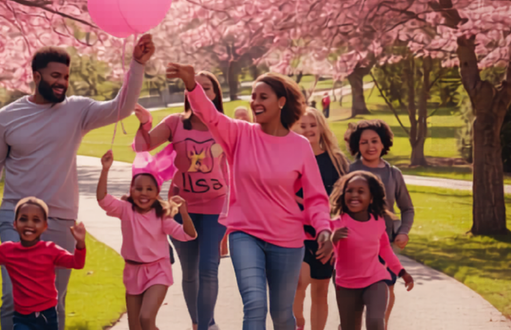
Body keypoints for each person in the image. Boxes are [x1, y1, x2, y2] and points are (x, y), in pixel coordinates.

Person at [0, 35, 155, 330]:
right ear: (36, 76)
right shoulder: (7, 117)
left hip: (61, 219)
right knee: (13, 296)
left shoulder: (77, 111)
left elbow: (123, 106)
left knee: (53, 300)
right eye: (55, 76)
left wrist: (138, 64)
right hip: (15, 217)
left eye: (66, 77)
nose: (62, 83)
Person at [167, 63, 333, 330]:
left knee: (281, 315)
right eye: (253, 96)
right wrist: (191, 85)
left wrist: (324, 229)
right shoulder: (239, 134)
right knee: (254, 304)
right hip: (245, 233)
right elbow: (210, 115)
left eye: (262, 97)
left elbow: (315, 197)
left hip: (287, 239)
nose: (255, 102)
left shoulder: (300, 146)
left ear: (281, 102)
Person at [132, 70, 228, 330]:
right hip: (179, 209)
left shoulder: (225, 125)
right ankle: (198, 322)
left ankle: (206, 325)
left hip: (215, 208)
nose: (202, 92)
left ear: (215, 94)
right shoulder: (176, 123)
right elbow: (143, 146)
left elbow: (237, 168)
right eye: (197, 88)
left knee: (209, 268)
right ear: (188, 93)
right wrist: (145, 123)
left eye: (207, 88)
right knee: (190, 272)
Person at [97, 149, 197, 330]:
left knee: (146, 318)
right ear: (131, 189)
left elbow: (189, 235)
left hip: (158, 270)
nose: (143, 193)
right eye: (138, 188)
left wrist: (184, 212)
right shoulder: (125, 209)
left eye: (149, 189)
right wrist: (105, 169)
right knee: (135, 327)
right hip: (133, 271)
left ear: (157, 192)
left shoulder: (162, 216)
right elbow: (103, 199)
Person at [0, 198, 87, 330]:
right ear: (15, 224)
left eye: (36, 220)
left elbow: (77, 263)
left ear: (45, 226)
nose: (29, 224)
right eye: (23, 219)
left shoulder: (51, 250)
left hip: (47, 316)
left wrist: (80, 243)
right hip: (22, 317)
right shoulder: (7, 250)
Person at [344, 119, 415, 328]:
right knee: (356, 292)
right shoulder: (349, 172)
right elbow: (337, 206)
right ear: (357, 145)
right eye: (364, 142)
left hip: (386, 243)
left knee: (385, 287)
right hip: (354, 245)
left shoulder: (394, 174)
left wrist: (403, 231)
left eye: (374, 141)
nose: (370, 146)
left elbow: (407, 208)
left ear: (383, 143)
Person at [329, 171, 414, 330]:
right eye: (350, 190)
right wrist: (332, 240)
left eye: (361, 191)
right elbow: (328, 257)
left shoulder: (377, 221)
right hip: (346, 283)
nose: (354, 195)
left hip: (375, 279)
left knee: (375, 322)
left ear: (371, 197)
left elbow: (384, 248)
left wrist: (401, 272)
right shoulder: (337, 224)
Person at [292, 107, 349, 330]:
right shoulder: (289, 158)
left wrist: (334, 236)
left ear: (321, 127)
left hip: (326, 235)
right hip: (296, 234)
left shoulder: (336, 161)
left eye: (312, 125)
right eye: (302, 126)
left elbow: (343, 202)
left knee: (320, 289)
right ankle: (298, 324)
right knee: (298, 283)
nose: (308, 130)